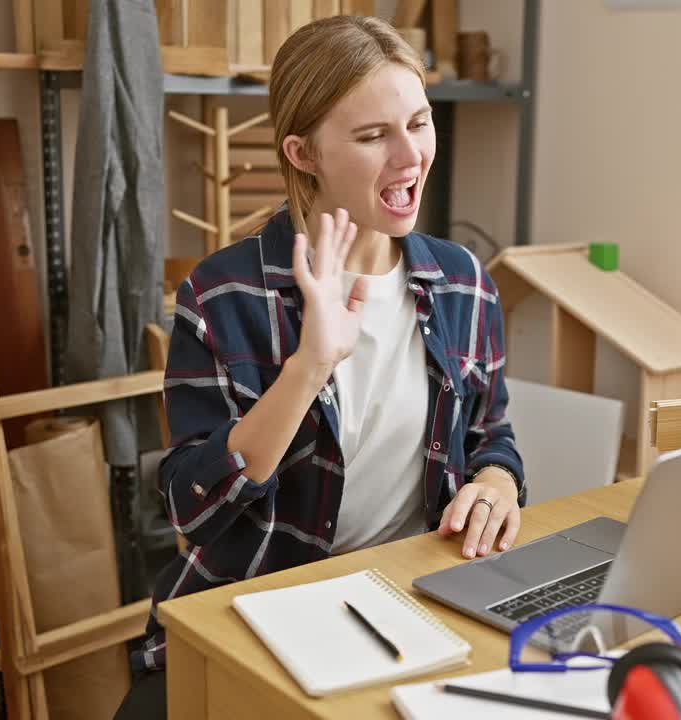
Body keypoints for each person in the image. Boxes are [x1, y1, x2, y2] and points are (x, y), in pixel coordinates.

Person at [114, 15, 525, 719]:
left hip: (411, 607)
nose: (410, 156)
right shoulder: (222, 295)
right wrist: (309, 365)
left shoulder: (464, 283)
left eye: (419, 124)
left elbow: (492, 435)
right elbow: (196, 508)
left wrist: (498, 482)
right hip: (255, 614)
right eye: (372, 137)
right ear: (303, 152)